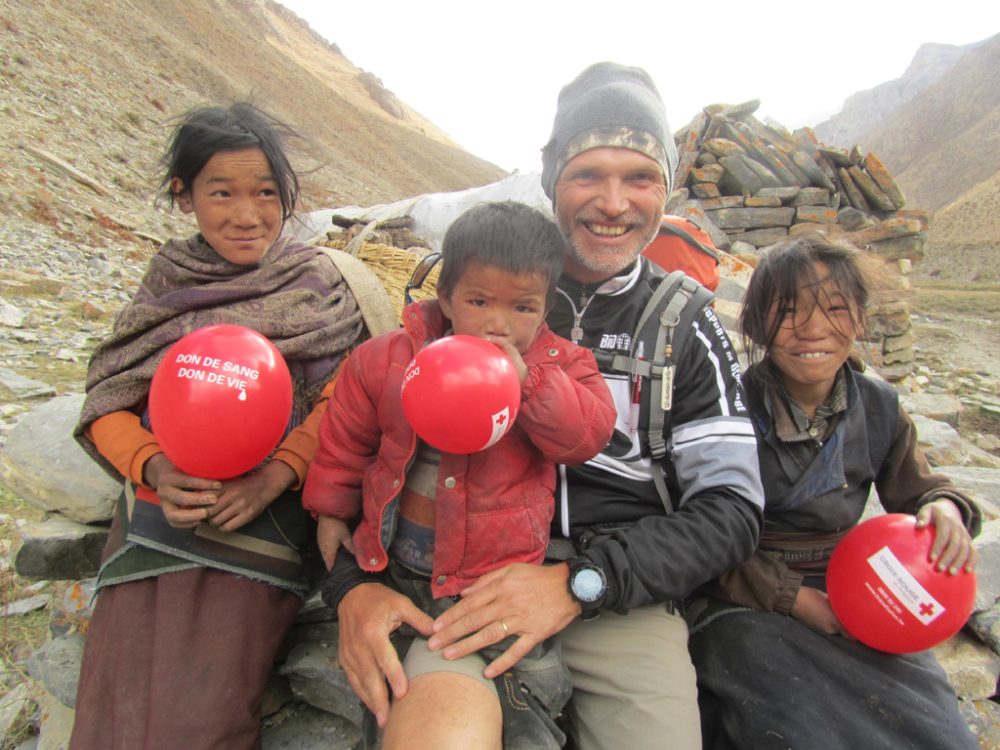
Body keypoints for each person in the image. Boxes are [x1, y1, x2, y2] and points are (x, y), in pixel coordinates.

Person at [327, 61, 766, 750]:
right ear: (552, 176)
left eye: (640, 177)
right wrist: (348, 584)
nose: (613, 203)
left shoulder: (685, 324)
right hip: (462, 584)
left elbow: (732, 510)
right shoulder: (486, 286)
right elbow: (361, 427)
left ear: (667, 188)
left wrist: (582, 581)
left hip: (621, 595)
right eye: (589, 174)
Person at [69, 102, 366, 749]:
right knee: (112, 708)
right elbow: (109, 399)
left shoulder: (315, 283)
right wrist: (152, 465)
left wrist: (277, 475)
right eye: (222, 192)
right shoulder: (168, 281)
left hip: (262, 530)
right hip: (153, 521)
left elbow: (344, 401)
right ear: (184, 195)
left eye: (265, 193)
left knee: (205, 716)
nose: (246, 214)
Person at [304, 200, 617, 749]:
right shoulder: (387, 359)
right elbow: (346, 443)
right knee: (385, 685)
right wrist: (330, 510)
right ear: (445, 297)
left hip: (492, 583)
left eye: (522, 307)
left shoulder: (562, 366)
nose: (499, 324)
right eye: (478, 301)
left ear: (546, 308)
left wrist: (529, 383)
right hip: (394, 569)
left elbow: (586, 436)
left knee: (519, 696)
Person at [688, 233, 981, 750]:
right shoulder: (727, 407)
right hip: (743, 590)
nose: (813, 329)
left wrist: (944, 509)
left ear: (861, 320)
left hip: (859, 591)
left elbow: (920, 491)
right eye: (788, 311)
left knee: (931, 724)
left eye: (836, 309)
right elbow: (700, 535)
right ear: (756, 324)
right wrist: (793, 598)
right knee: (791, 722)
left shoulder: (879, 405)